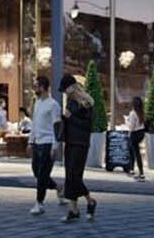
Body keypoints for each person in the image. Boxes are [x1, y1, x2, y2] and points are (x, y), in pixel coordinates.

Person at [58, 74, 97, 222]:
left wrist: (70, 118)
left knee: (75, 175)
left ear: (71, 87)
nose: (64, 92)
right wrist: (63, 119)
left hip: (81, 143)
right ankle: (74, 210)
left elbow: (87, 126)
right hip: (70, 141)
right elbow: (69, 121)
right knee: (69, 176)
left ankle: (90, 200)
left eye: (65, 89)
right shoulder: (69, 101)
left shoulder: (87, 102)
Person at [27, 75, 62, 217]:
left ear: (42, 87)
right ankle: (58, 187)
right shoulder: (37, 103)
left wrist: (55, 146)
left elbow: (56, 127)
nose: (34, 88)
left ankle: (39, 203)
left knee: (42, 175)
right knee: (37, 172)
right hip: (37, 142)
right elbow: (34, 123)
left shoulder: (53, 105)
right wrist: (30, 141)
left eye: (36, 86)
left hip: (48, 142)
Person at [124, 96, 146, 181]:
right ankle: (131, 169)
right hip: (141, 133)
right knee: (132, 150)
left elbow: (131, 126)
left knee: (136, 153)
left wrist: (126, 121)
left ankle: (141, 173)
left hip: (135, 134)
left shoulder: (133, 113)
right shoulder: (141, 112)